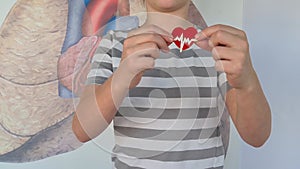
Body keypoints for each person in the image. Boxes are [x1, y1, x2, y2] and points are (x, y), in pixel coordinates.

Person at [72, 0, 272, 168]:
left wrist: (247, 82)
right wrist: (122, 76)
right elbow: (82, 130)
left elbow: (257, 137)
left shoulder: (219, 48)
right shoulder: (114, 44)